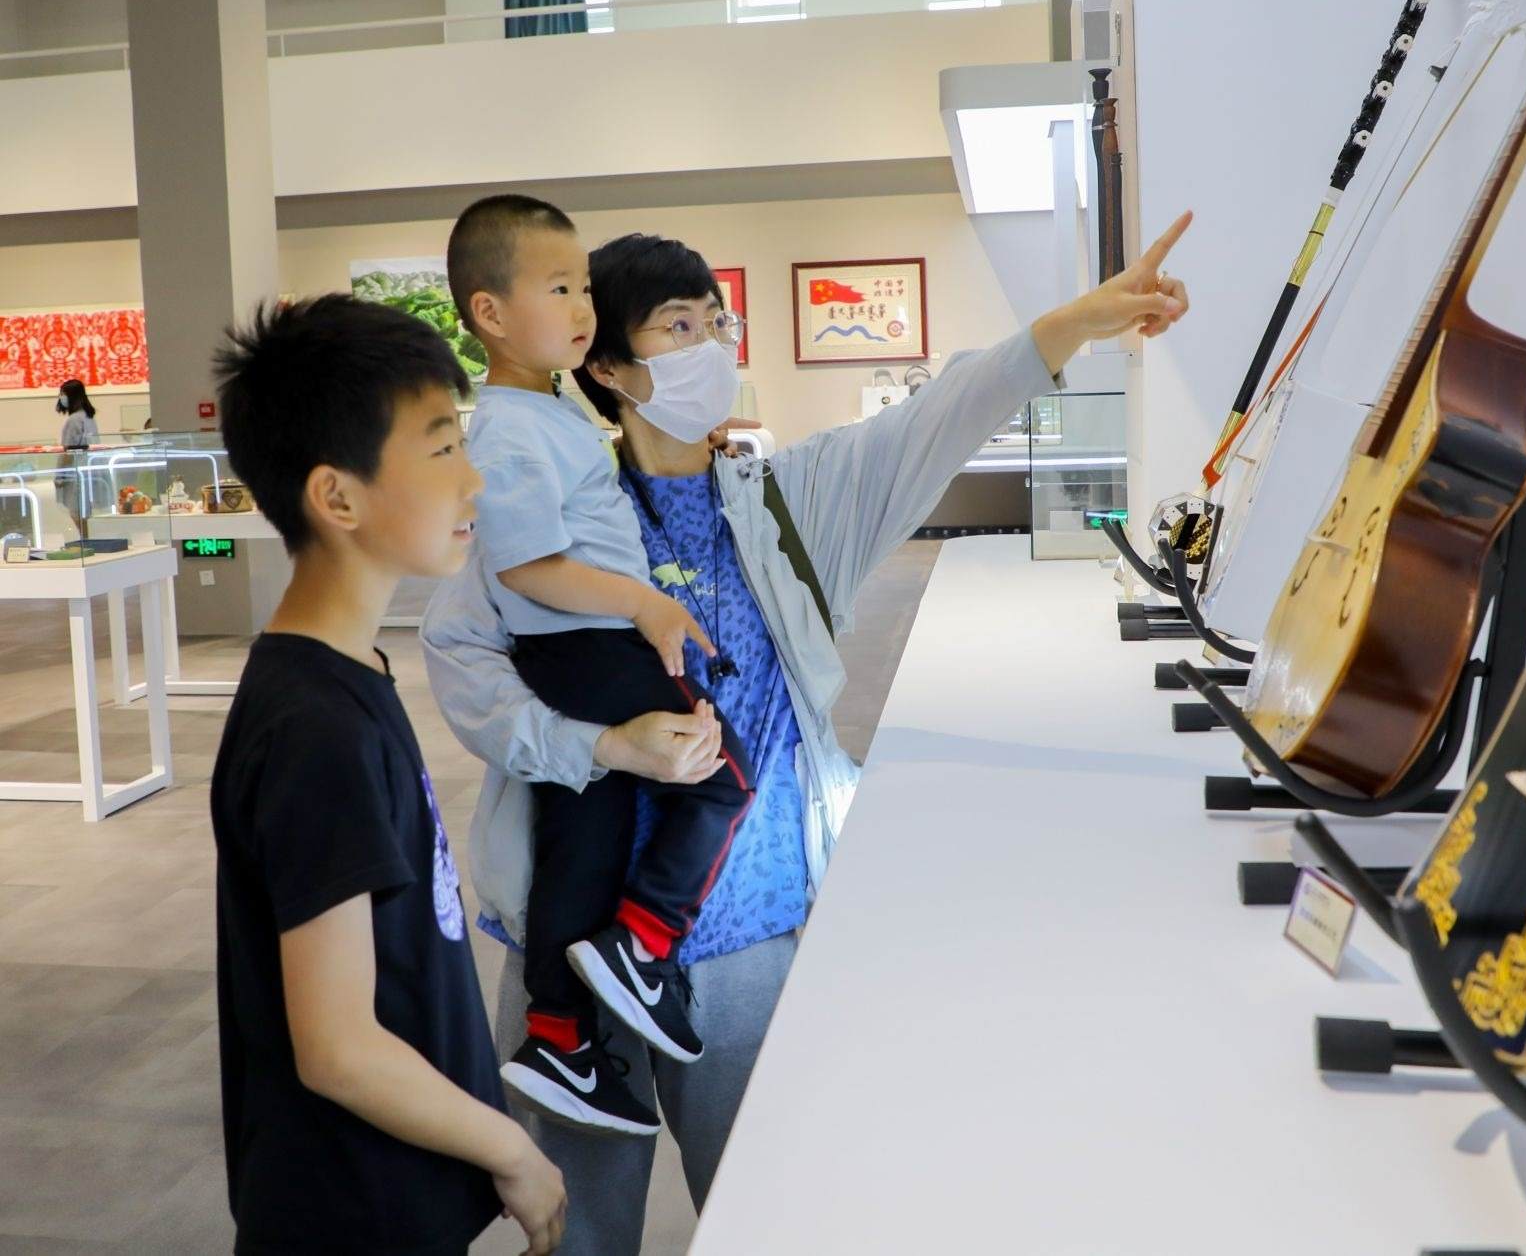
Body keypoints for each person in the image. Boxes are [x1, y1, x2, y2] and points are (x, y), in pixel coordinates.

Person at [423, 215, 1191, 1252]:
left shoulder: (789, 502)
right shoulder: (548, 511)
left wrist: (1077, 322)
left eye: (717, 323)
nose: (710, 347)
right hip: (571, 940)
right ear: (605, 362)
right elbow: (463, 668)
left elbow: (936, 416)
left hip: (750, 934)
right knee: (578, 1234)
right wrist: (597, 746)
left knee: (767, 1216)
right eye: (677, 326)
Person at [208, 296, 567, 1256]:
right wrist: (513, 1151)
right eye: (442, 449)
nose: (473, 481)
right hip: (351, 1212)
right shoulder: (315, 729)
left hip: (390, 1191)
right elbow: (337, 1048)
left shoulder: (346, 673)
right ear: (338, 498)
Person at [446, 195, 755, 1138]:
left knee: (584, 834)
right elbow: (526, 565)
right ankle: (644, 945)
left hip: (577, 647)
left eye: (584, 288)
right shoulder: (511, 428)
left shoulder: (541, 416)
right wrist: (641, 602)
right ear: (490, 313)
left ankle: (558, 1035)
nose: (579, 308)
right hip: (582, 644)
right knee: (722, 776)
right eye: (558, 289)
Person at [55, 379, 99, 449]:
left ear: (72, 396)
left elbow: (68, 448)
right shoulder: (87, 415)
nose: (60, 397)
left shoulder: (74, 419)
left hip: (77, 456)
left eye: (63, 394)